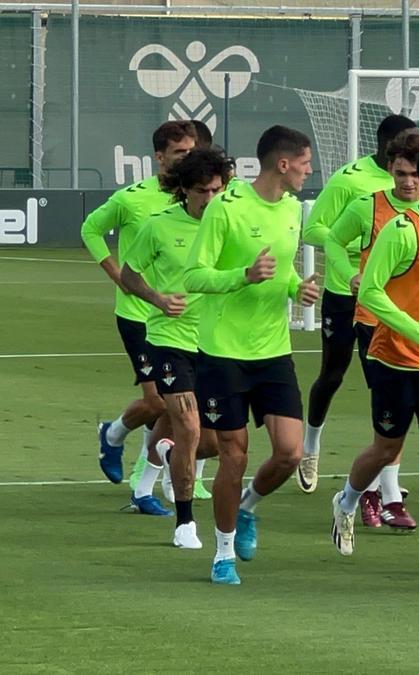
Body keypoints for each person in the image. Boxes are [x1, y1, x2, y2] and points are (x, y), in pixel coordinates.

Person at [182, 125, 320, 585]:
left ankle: (247, 508)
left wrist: (296, 288)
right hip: (222, 351)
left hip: (273, 350)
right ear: (283, 164)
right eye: (304, 162)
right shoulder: (227, 207)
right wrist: (243, 275)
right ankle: (222, 554)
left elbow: (277, 274)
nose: (309, 169)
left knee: (289, 453)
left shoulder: (291, 211)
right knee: (233, 456)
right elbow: (195, 276)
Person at [330, 144, 419, 575]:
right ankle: (347, 501)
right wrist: (415, 330)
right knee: (386, 447)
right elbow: (371, 292)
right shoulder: (402, 229)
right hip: (393, 359)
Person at [84, 120, 209, 513]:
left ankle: (145, 483)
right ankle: (117, 434)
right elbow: (91, 229)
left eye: (193, 151)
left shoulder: (201, 201)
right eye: (180, 153)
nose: (188, 159)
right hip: (139, 312)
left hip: (184, 320)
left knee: (178, 407)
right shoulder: (132, 199)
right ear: (159, 157)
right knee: (159, 404)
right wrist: (117, 274)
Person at [312, 130, 419, 528]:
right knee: (389, 406)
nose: (407, 182)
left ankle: (372, 492)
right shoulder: (369, 206)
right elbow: (332, 242)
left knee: (407, 413)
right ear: (390, 171)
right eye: (400, 173)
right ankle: (386, 497)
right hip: (375, 323)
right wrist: (350, 276)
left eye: (414, 174)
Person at [120, 147, 233, 547]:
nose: (211, 198)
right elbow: (129, 275)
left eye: (218, 189)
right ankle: (185, 522)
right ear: (185, 190)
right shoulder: (158, 227)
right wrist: (158, 299)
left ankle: (170, 457)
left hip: (217, 342)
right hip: (169, 341)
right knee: (187, 425)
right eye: (202, 191)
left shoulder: (231, 223)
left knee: (214, 443)